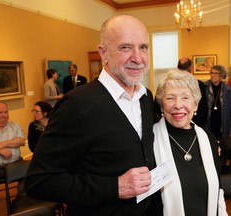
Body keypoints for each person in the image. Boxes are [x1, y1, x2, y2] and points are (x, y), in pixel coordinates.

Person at [25, 15, 159, 216]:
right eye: (125, 47)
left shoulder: (146, 97)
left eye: (143, 47)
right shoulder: (77, 105)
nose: (138, 58)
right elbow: (40, 181)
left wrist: (203, 143)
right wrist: (115, 187)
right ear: (103, 53)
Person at [153, 69, 227, 216]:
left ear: (196, 105)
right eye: (170, 98)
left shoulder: (209, 139)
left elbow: (218, 189)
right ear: (161, 105)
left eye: (185, 98)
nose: (178, 105)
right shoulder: (149, 139)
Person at [205, 65, 231, 138]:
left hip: (223, 125)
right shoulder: (204, 88)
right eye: (211, 73)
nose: (212, 75)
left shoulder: (228, 90)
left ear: (221, 75)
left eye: (216, 73)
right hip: (208, 124)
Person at [0, 101, 25, 181]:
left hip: (16, 164)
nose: (3, 115)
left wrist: (2, 144)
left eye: (5, 112)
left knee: (29, 175)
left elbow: (21, 141)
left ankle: (22, 194)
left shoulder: (15, 126)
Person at [177, 57, 208, 127]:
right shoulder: (199, 84)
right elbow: (204, 109)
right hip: (195, 123)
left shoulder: (170, 84)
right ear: (191, 68)